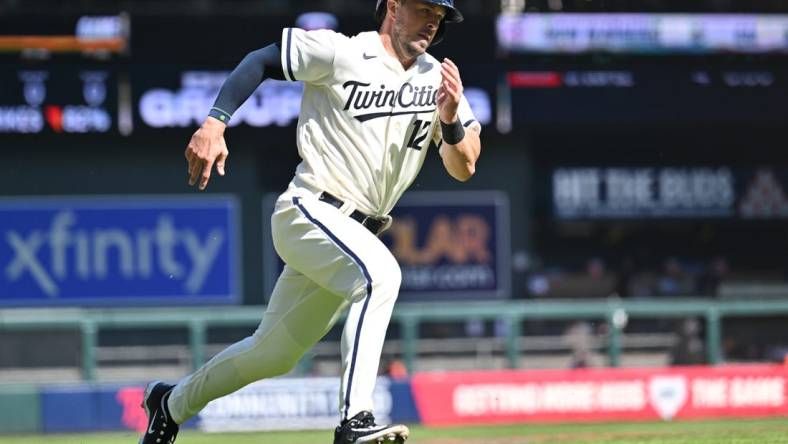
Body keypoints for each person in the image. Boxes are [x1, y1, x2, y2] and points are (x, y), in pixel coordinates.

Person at [139, 0, 481, 443]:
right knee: (380, 276)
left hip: (353, 235)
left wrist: (451, 120)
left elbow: (464, 165)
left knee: (273, 353)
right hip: (309, 209)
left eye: (440, 15)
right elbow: (260, 60)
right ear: (393, 8)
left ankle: (169, 404)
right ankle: (355, 419)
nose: (433, 20)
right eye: (423, 9)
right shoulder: (342, 52)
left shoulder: (438, 78)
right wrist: (214, 122)